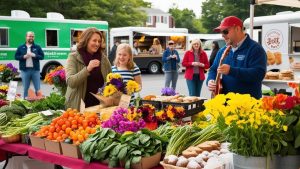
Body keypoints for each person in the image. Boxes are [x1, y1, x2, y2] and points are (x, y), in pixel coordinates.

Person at [207, 16, 267, 99]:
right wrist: (210, 80)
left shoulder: (255, 49)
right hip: (225, 104)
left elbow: (258, 74)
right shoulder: (222, 50)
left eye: (225, 31)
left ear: (238, 29)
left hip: (247, 104)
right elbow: (213, 69)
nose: (223, 35)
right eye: (221, 32)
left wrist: (231, 70)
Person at [65, 27, 112, 109]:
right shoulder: (73, 57)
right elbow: (71, 82)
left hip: (100, 106)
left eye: (99, 41)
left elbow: (110, 81)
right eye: (94, 40)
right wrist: (87, 69)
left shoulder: (103, 59)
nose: (97, 44)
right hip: (79, 106)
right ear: (86, 40)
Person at [15, 31, 44, 99]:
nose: (31, 37)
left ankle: (39, 103)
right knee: (26, 88)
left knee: (38, 88)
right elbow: (16, 57)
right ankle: (25, 103)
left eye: (32, 36)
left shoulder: (37, 47)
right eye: (29, 36)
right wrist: (23, 57)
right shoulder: (21, 47)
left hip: (35, 70)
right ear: (26, 37)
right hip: (25, 71)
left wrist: (35, 55)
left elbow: (42, 56)